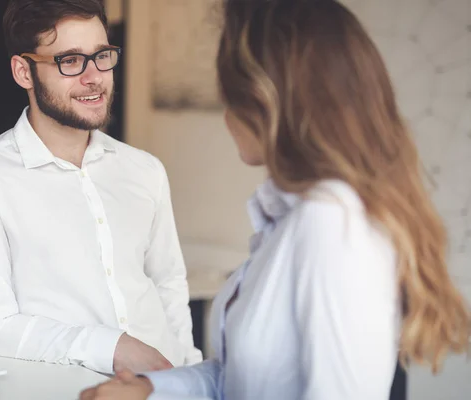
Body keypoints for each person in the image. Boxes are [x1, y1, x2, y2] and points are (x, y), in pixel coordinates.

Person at [79, 0, 471, 398]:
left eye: (229, 92)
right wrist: (149, 389)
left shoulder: (331, 224)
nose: (227, 114)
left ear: (264, 101)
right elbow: (239, 382)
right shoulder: (294, 218)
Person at [0, 0, 202, 375]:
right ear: (23, 72)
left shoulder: (145, 170)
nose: (94, 77)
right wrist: (111, 347)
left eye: (102, 56)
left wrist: (191, 373)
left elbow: (168, 284)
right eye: (70, 61)